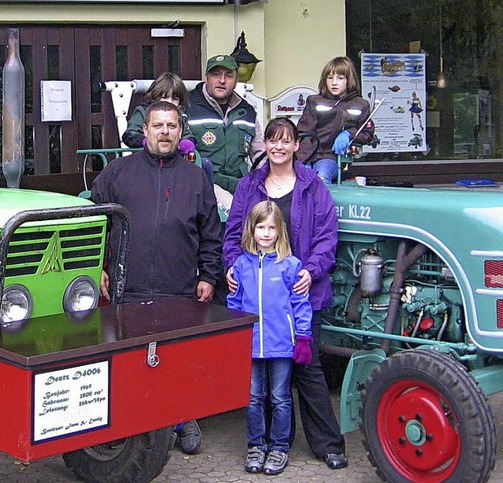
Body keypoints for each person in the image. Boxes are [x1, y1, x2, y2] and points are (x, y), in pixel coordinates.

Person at [92, 100, 222, 456]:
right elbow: (93, 224)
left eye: (171, 126)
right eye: (158, 126)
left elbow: (211, 233)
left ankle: (183, 422)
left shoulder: (196, 178)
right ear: (145, 131)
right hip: (126, 285)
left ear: (181, 132)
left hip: (178, 285)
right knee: (129, 362)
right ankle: (131, 430)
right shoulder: (118, 172)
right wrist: (97, 267)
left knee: (176, 361)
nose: (165, 132)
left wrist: (209, 275)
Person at [223, 117, 348, 470]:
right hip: (259, 296)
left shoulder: (313, 186)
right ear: (265, 145)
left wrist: (311, 271)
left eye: (286, 141)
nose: (278, 147)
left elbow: (327, 236)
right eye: (272, 140)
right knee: (262, 375)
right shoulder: (249, 187)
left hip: (301, 292)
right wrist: (233, 266)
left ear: (296, 146)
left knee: (307, 370)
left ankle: (328, 444)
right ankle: (272, 444)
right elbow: (234, 234)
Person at [227, 200, 313, 476]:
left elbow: (300, 303)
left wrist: (303, 337)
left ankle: (278, 448)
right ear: (251, 230)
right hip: (250, 345)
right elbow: (235, 303)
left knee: (280, 398)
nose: (265, 233)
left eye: (271, 228)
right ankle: (256, 445)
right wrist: (233, 338)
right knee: (253, 397)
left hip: (281, 346)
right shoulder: (241, 265)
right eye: (261, 227)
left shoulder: (290, 265)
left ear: (280, 231)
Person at [186, 54, 264, 213]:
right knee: (235, 210)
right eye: (216, 75)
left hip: (242, 183)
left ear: (236, 81)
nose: (222, 80)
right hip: (205, 183)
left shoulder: (247, 111)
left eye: (229, 76)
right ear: (206, 77)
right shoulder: (188, 106)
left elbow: (259, 153)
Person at [296, 56, 375, 185]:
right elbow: (304, 132)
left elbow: (367, 133)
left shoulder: (360, 104)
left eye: (340, 78)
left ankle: (323, 205)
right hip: (308, 155)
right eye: (330, 78)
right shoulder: (315, 101)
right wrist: (304, 162)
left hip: (331, 156)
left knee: (322, 177)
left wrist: (349, 134)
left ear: (349, 80)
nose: (334, 82)